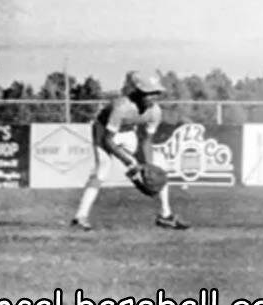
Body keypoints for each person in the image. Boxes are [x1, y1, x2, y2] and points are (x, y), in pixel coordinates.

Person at [71, 70, 189, 231]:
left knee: (158, 168)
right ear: (139, 92)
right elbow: (108, 140)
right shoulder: (122, 107)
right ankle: (80, 217)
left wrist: (148, 166)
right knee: (102, 170)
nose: (154, 97)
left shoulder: (155, 112)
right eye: (149, 93)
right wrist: (130, 162)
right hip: (103, 131)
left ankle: (165, 216)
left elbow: (147, 141)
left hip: (127, 132)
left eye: (156, 92)